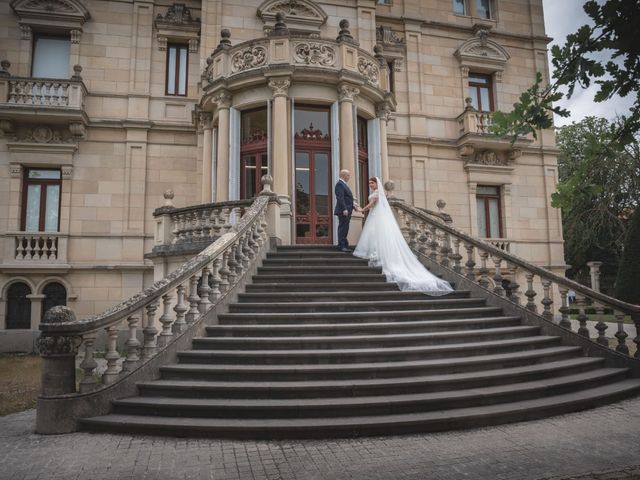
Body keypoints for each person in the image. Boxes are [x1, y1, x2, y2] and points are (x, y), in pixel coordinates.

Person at [353, 177, 453, 295]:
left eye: (372, 183)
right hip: (375, 216)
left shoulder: (377, 193)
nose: (370, 185)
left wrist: (360, 210)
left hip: (376, 216)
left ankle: (378, 254)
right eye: (369, 183)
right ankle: (375, 252)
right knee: (375, 235)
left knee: (377, 234)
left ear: (376, 184)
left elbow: (372, 204)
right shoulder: (377, 193)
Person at [334, 169, 355, 252]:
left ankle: (344, 244)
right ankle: (342, 246)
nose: (349, 177)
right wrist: (344, 209)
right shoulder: (340, 184)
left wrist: (353, 205)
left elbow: (347, 198)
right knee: (343, 228)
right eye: (348, 175)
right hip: (344, 211)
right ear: (344, 175)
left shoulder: (344, 184)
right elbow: (340, 198)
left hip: (347, 210)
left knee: (345, 228)